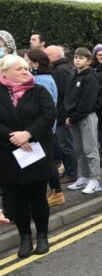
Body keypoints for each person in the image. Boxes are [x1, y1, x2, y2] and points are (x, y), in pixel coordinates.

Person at [0, 54, 57, 257]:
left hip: (35, 152)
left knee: (37, 197)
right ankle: (25, 237)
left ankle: (42, 235)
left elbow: (49, 115)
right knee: (17, 201)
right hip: (7, 154)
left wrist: (28, 134)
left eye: (26, 68)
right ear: (4, 72)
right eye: (19, 69)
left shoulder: (38, 90)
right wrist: (13, 137)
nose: (25, 72)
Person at [25, 49, 64, 206]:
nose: (24, 63)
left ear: (35, 63)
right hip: (42, 127)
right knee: (46, 160)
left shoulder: (41, 80)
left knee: (46, 162)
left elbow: (45, 107)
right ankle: (55, 192)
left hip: (42, 129)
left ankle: (56, 192)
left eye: (26, 60)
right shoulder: (42, 78)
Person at [64, 48, 102, 195]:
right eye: (76, 57)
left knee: (90, 150)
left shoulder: (90, 77)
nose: (77, 60)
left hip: (86, 116)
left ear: (89, 60)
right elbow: (69, 98)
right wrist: (69, 116)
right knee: (79, 150)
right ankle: (85, 177)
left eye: (81, 58)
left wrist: (74, 117)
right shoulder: (74, 75)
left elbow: (87, 101)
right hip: (74, 117)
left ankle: (95, 180)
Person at [44, 46, 76, 184]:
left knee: (66, 145)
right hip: (60, 115)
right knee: (64, 145)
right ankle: (69, 171)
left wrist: (62, 115)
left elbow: (65, 95)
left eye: (47, 55)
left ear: (55, 56)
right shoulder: (59, 69)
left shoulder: (61, 71)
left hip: (62, 115)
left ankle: (72, 173)